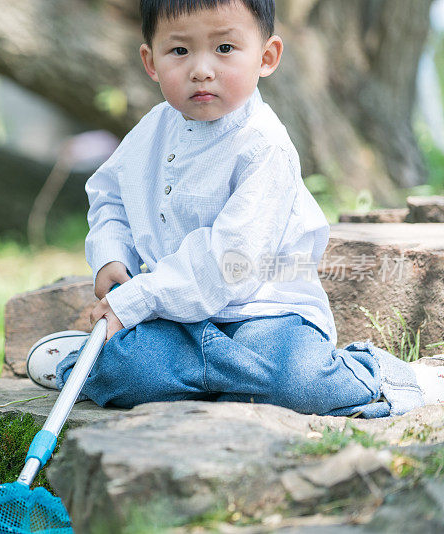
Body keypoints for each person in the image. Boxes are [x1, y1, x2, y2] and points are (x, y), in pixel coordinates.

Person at [25, 0, 444, 417]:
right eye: (180, 51)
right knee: (128, 372)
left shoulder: (264, 146)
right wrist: (111, 254)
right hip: (175, 316)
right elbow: (109, 194)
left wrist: (139, 298)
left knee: (295, 381)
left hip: (263, 317)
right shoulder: (151, 129)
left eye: (224, 48)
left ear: (266, 57)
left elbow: (230, 262)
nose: (201, 69)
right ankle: (107, 363)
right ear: (150, 62)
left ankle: (378, 375)